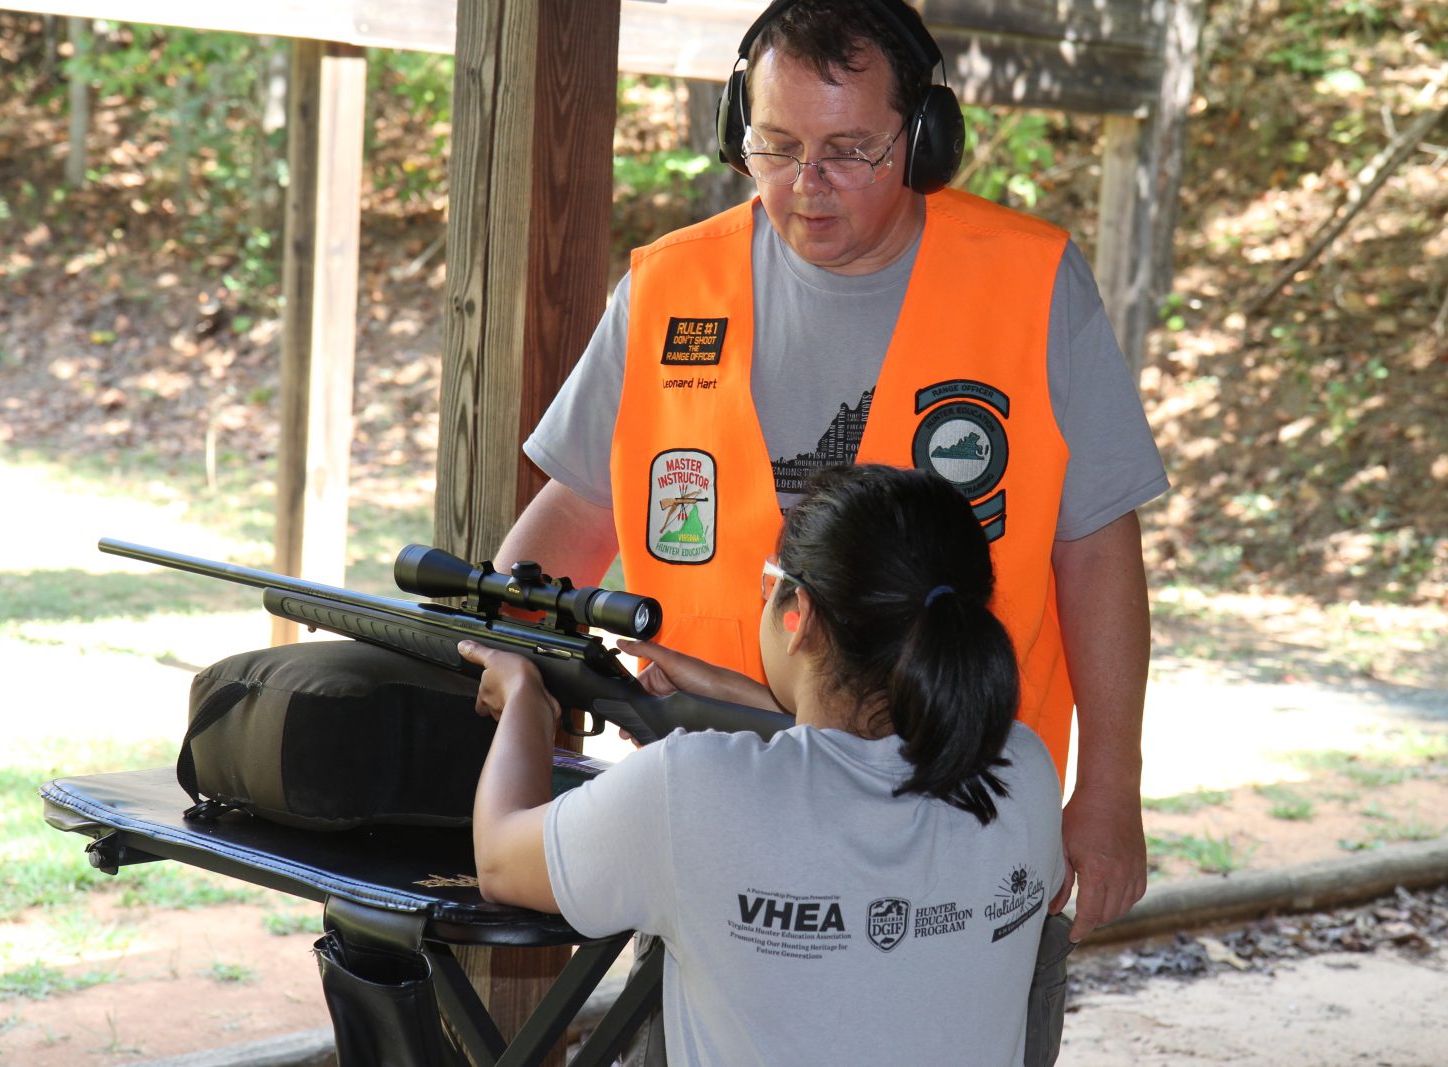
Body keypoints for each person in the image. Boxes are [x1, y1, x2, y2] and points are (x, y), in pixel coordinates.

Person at [495, 0, 1166, 943]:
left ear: (923, 139)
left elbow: (1096, 546)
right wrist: (501, 634)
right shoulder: (670, 288)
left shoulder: (1031, 283)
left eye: (850, 150)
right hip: (719, 817)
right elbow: (577, 511)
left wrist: (1109, 787)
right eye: (776, 146)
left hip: (961, 822)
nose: (807, 183)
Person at [464, 464, 1066, 1065]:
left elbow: (498, 858)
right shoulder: (1024, 771)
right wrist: (743, 700)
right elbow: (859, 770)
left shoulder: (691, 789)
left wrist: (525, 702)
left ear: (800, 616)